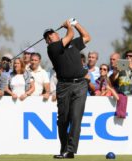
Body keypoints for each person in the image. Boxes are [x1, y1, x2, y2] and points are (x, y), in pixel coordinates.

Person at [43, 18, 91, 159]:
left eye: (52, 33)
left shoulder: (73, 44)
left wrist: (76, 24)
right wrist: (69, 26)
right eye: (48, 36)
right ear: (47, 41)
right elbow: (69, 35)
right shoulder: (52, 48)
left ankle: (70, 151)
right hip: (64, 86)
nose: (51, 36)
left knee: (76, 118)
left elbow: (87, 37)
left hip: (81, 84)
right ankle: (64, 148)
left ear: (56, 34)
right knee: (63, 120)